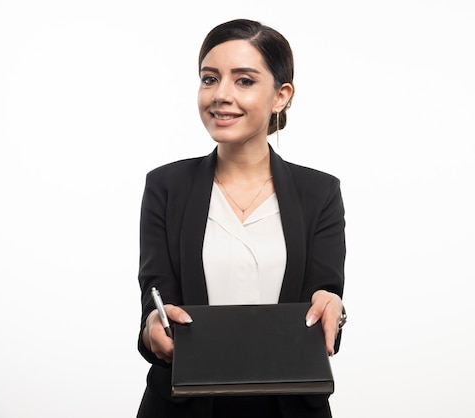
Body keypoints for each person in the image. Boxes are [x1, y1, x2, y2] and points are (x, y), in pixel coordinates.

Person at [136, 18, 347, 418]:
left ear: (280, 96)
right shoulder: (166, 186)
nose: (220, 95)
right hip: (184, 405)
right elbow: (155, 294)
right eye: (209, 78)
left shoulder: (319, 193)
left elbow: (326, 292)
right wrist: (152, 326)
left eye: (244, 81)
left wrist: (332, 305)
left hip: (288, 405)